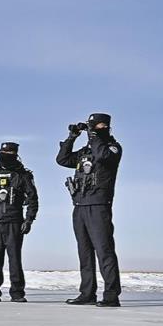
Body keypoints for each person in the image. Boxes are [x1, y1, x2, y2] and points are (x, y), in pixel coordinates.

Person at [56, 112, 123, 307]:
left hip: (99, 206)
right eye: (92, 126)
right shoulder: (86, 152)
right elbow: (62, 159)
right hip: (79, 206)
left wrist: (94, 137)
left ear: (107, 127)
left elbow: (103, 156)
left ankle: (111, 295)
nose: (94, 129)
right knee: (84, 253)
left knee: (104, 251)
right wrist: (72, 137)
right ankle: (87, 293)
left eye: (98, 126)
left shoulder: (112, 148)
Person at [0, 142, 39, 302]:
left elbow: (33, 199)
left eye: (9, 152)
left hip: (14, 222)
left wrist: (29, 220)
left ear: (16, 154)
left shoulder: (24, 175)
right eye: (3, 151)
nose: (5, 154)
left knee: (14, 259)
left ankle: (17, 293)